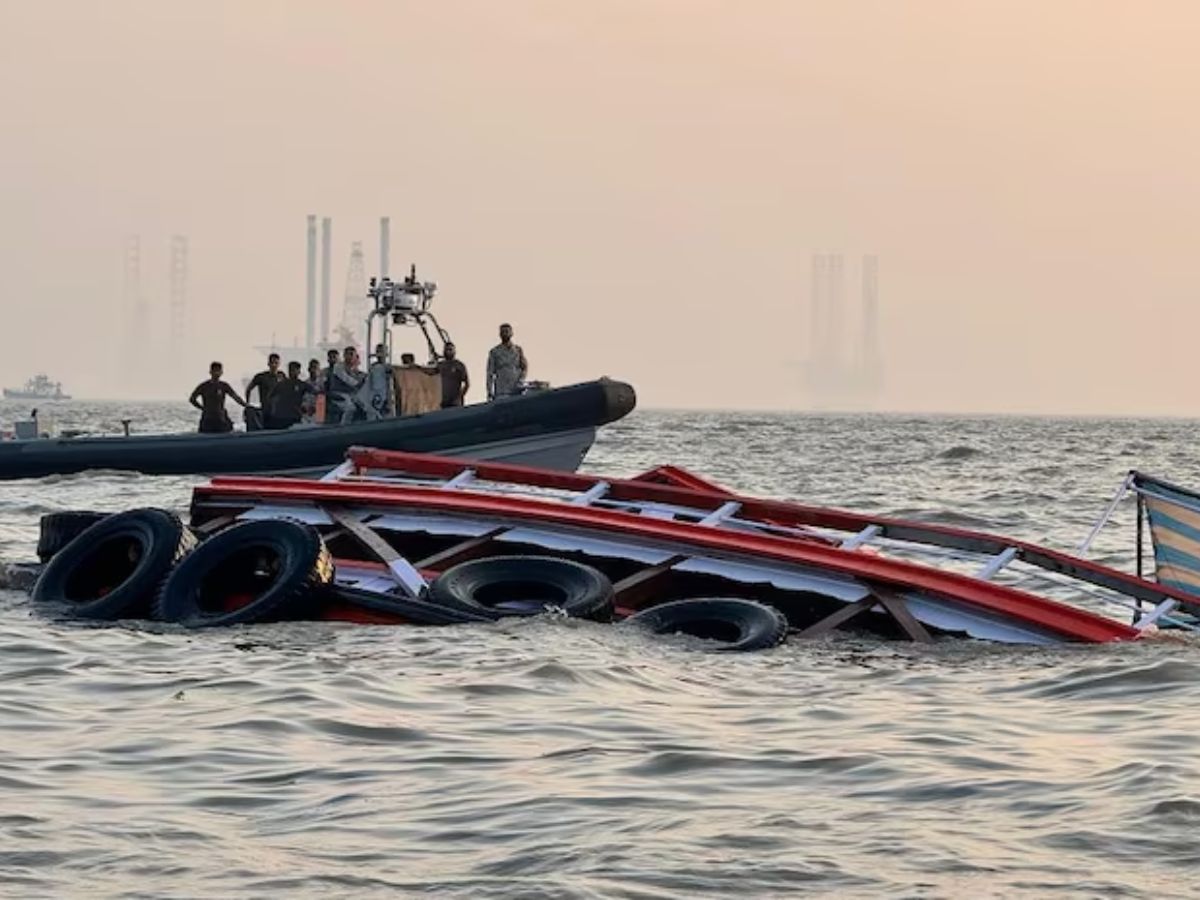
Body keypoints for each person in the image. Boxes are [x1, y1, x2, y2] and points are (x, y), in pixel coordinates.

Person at [189, 362, 246, 434]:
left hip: (220, 418)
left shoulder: (224, 385)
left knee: (228, 431)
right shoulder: (204, 386)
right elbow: (192, 399)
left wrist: (245, 405)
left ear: (221, 372)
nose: (216, 373)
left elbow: (235, 397)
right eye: (215, 371)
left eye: (218, 371)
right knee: (205, 435)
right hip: (207, 418)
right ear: (210, 372)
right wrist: (202, 408)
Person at [265, 361, 313, 430]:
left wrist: (307, 408)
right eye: (290, 370)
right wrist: (273, 408)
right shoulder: (281, 384)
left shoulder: (302, 384)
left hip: (294, 417)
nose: (292, 372)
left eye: (294, 370)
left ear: (299, 371)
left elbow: (316, 394)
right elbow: (269, 398)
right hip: (280, 418)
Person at [486, 323, 528, 400]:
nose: (505, 334)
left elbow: (524, 367)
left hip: (516, 389)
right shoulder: (495, 351)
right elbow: (490, 373)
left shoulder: (518, 350)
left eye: (507, 331)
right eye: (503, 332)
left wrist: (521, 380)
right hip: (501, 390)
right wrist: (489, 391)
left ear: (511, 333)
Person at [329, 346, 366, 424]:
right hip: (339, 394)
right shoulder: (338, 367)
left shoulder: (354, 369)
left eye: (352, 354)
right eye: (348, 354)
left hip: (351, 394)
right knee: (350, 408)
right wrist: (359, 384)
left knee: (365, 405)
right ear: (344, 355)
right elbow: (348, 380)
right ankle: (344, 426)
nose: (350, 357)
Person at [438, 342, 470, 408]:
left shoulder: (459, 365)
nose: (448, 352)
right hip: (443, 402)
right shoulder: (440, 365)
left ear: (454, 351)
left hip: (455, 403)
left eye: (450, 350)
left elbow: (467, 384)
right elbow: (430, 372)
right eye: (446, 350)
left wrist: (460, 396)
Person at [321, 348, 341, 424]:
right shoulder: (324, 372)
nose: (332, 359)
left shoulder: (344, 372)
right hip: (328, 403)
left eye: (334, 357)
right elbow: (322, 386)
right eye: (330, 357)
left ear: (338, 359)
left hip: (342, 402)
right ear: (328, 359)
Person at [302, 358, 323, 423]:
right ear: (308, 369)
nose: (313, 370)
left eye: (315, 368)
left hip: (319, 413)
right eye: (312, 367)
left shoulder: (323, 383)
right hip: (306, 414)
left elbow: (323, 398)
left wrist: (315, 408)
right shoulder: (305, 383)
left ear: (319, 370)